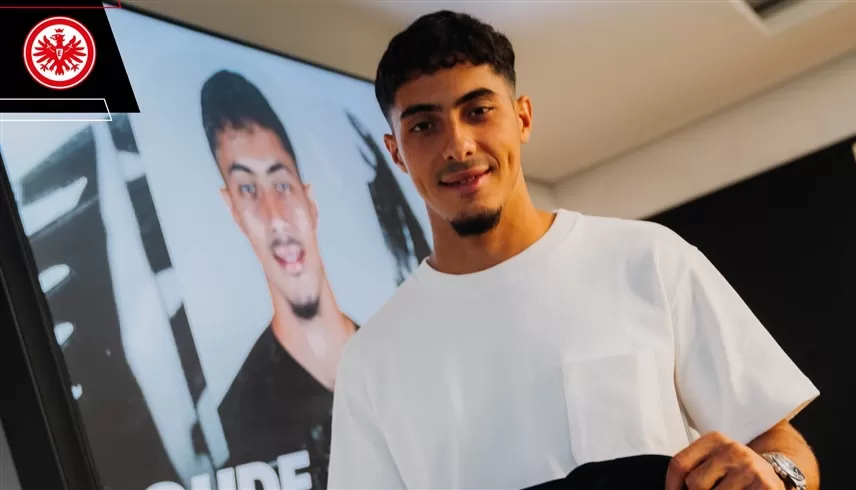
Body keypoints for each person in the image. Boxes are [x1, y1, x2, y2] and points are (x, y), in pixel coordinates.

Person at [327, 10, 820, 490]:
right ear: (395, 152)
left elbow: (779, 441)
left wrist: (779, 476)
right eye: (424, 126)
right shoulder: (372, 361)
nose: (458, 145)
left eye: (478, 111)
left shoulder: (647, 260)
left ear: (522, 118)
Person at [199, 70, 358, 488]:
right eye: (248, 190)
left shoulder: (394, 352)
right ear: (232, 210)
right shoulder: (236, 422)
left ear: (311, 200)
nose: (275, 217)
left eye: (281, 184)